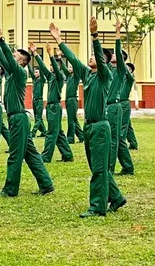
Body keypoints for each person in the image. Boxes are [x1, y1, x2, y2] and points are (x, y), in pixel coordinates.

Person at [52, 19, 124, 217]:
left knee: (99, 170)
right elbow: (74, 60)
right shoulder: (88, 74)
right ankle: (116, 197)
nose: (91, 57)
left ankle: (97, 207)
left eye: (95, 56)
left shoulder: (104, 75)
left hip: (101, 126)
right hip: (90, 127)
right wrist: (59, 41)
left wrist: (95, 37)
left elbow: (101, 60)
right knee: (96, 166)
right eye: (91, 55)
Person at [0, 25, 54, 197]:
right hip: (17, 119)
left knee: (15, 155)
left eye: (14, 56)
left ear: (20, 62)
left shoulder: (19, 73)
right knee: (30, 154)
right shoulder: (11, 73)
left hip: (18, 118)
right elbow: (5, 61)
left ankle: (10, 190)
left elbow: (8, 61)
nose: (11, 58)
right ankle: (46, 184)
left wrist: (1, 40)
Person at [34, 52, 73, 163]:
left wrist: (52, 56)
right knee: (58, 132)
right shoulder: (51, 77)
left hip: (55, 106)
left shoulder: (60, 77)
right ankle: (67, 155)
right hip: (50, 107)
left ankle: (46, 156)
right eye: (51, 65)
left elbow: (56, 69)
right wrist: (36, 55)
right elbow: (43, 68)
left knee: (51, 132)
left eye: (54, 65)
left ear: (59, 67)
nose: (51, 67)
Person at [108, 42, 135, 176]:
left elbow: (128, 75)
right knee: (118, 137)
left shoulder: (124, 73)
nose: (112, 55)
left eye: (115, 54)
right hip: (110, 105)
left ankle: (111, 168)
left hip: (122, 105)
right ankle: (128, 166)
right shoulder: (110, 69)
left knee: (118, 136)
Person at [64, 60, 85, 145]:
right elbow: (63, 67)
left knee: (71, 120)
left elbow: (77, 68)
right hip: (68, 100)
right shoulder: (68, 76)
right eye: (69, 66)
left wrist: (75, 64)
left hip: (72, 100)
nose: (69, 68)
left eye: (71, 67)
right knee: (74, 120)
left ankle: (70, 139)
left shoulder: (76, 77)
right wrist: (59, 57)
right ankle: (82, 136)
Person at [30, 63, 47, 137]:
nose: (35, 73)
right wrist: (27, 64)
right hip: (34, 101)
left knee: (38, 118)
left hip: (39, 101)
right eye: (35, 72)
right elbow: (30, 71)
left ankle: (33, 133)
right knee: (38, 118)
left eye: (37, 72)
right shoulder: (34, 80)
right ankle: (44, 132)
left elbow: (42, 74)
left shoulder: (42, 80)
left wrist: (41, 66)